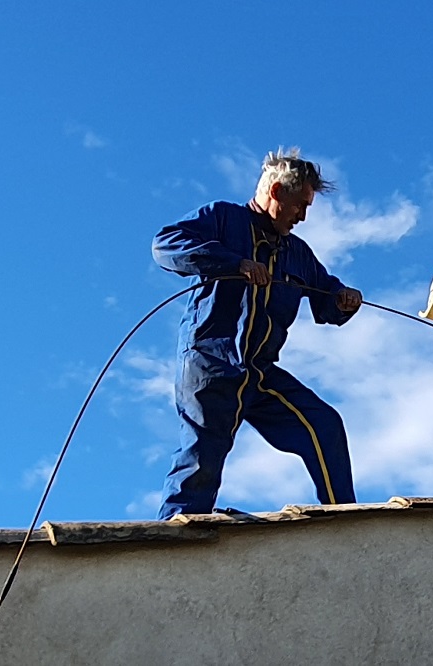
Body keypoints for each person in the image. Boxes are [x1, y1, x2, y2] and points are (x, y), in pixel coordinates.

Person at [152, 148, 362, 520]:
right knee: (203, 452)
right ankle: (177, 533)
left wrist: (345, 300)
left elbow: (327, 295)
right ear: (277, 192)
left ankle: (344, 519)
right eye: (301, 205)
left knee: (323, 424)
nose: (303, 216)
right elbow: (166, 245)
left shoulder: (298, 254)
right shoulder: (222, 218)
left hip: (260, 373)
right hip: (211, 363)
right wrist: (234, 263)